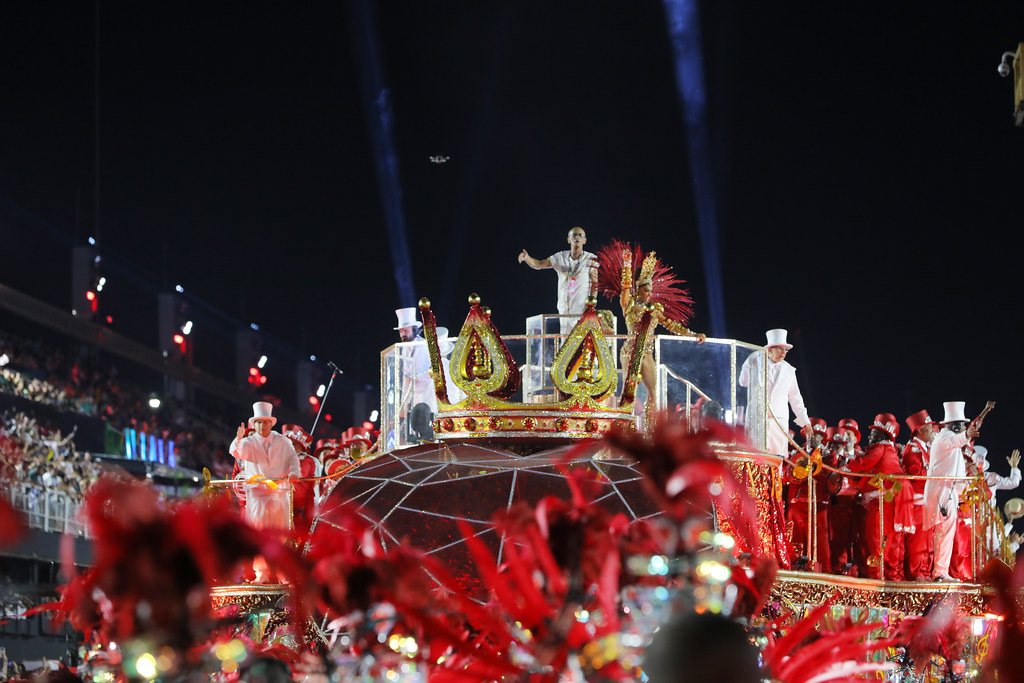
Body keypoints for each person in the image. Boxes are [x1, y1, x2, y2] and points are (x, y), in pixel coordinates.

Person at [846, 413, 915, 581]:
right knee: (892, 539)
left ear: (881, 435)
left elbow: (865, 462)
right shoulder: (891, 450)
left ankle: (877, 577)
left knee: (876, 536)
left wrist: (846, 469)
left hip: (883, 500)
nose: (870, 436)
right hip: (894, 498)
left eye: (873, 432)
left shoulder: (880, 448)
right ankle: (892, 575)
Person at [923, 401, 981, 581]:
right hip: (942, 493)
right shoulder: (944, 438)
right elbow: (958, 439)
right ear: (955, 426)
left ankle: (941, 572)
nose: (964, 428)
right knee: (943, 532)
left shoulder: (949, 440)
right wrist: (967, 434)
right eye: (962, 425)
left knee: (946, 532)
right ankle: (939, 573)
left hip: (949, 492)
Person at [738, 329, 812, 456]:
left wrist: (806, 422)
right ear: (770, 349)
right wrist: (750, 363)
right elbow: (743, 382)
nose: (783, 353)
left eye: (785, 350)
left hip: (779, 422)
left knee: (776, 459)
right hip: (757, 421)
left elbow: (795, 398)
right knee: (756, 458)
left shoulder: (789, 370)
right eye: (780, 349)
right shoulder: (756, 362)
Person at [230, 401, 301, 532]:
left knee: (280, 528)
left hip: (279, 492)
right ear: (254, 424)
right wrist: (238, 439)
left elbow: (292, 457)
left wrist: (294, 472)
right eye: (258, 422)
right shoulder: (248, 442)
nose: (262, 426)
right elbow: (236, 451)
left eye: (265, 422)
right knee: (259, 527)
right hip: (258, 492)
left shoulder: (283, 441)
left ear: (271, 423)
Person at [518, 226, 598, 336]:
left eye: (580, 235)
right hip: (564, 309)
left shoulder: (591, 259)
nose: (577, 237)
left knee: (582, 340)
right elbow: (539, 264)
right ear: (568, 240)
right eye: (574, 235)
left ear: (585, 240)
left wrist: (592, 303)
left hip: (582, 309)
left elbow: (595, 283)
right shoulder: (560, 257)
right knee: (565, 340)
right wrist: (527, 258)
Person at [902, 409, 937, 580]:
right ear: (921, 430)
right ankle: (917, 573)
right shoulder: (913, 449)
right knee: (918, 540)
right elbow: (916, 473)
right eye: (929, 428)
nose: (932, 431)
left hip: (926, 500)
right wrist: (936, 473)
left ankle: (924, 571)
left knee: (927, 539)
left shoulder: (924, 448)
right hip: (917, 501)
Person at [395, 307, 435, 442]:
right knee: (414, 429)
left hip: (427, 394)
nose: (403, 334)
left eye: (405, 331)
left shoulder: (424, 346)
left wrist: (416, 378)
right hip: (413, 397)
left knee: (427, 428)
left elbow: (432, 370)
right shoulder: (403, 349)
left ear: (414, 329)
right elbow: (405, 377)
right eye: (401, 331)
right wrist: (403, 403)